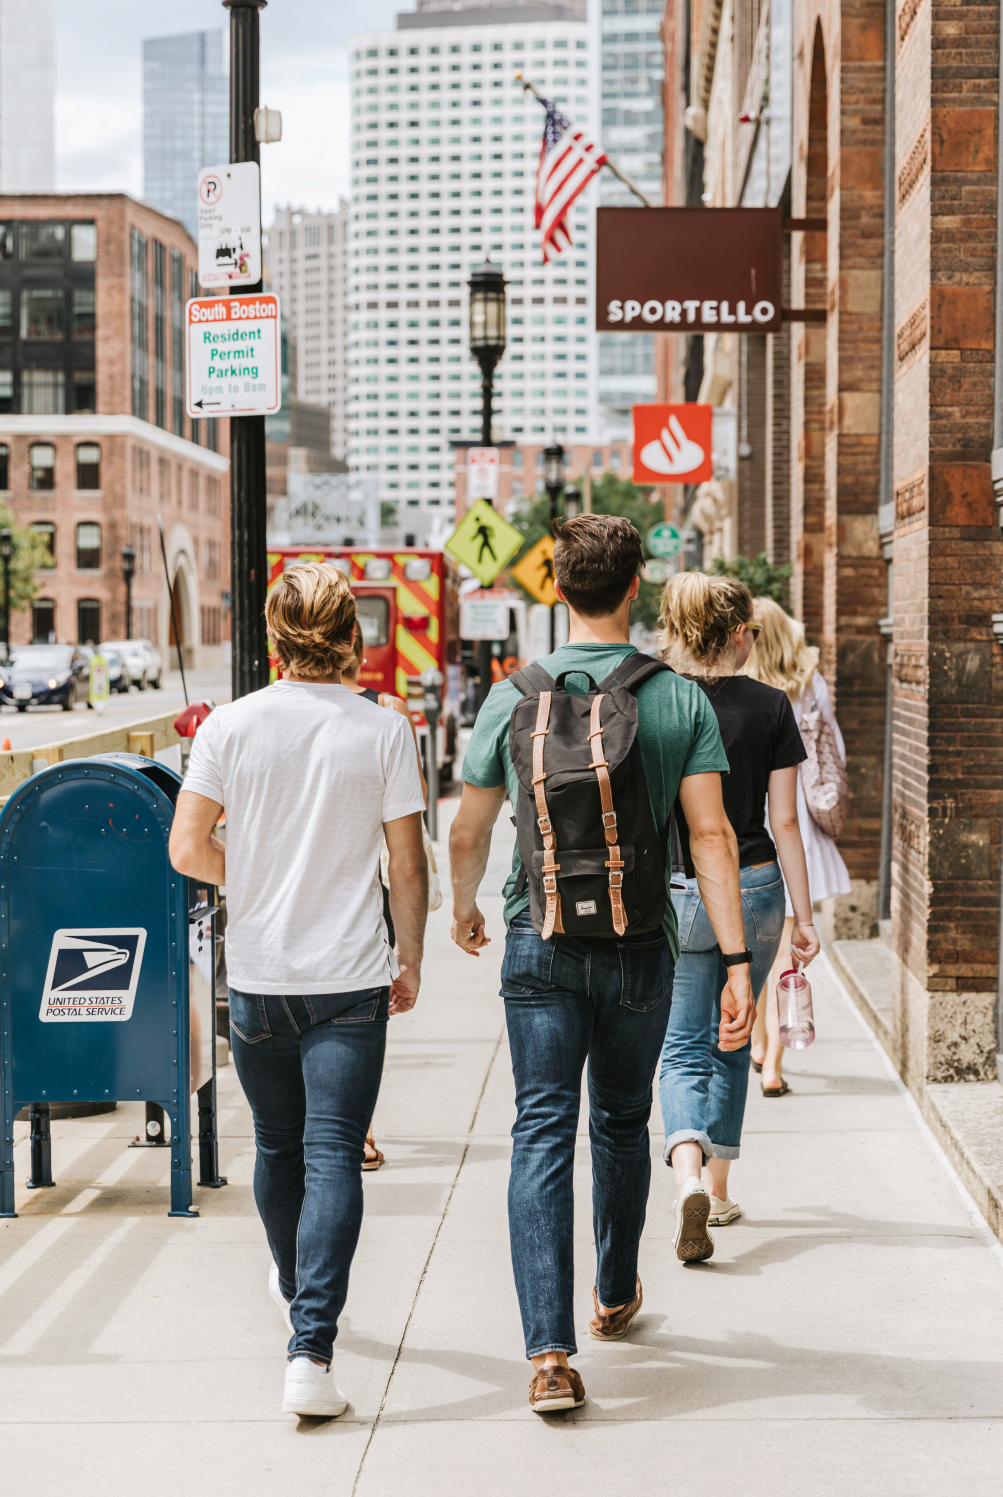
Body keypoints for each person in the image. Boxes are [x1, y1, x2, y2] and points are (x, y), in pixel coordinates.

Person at [448, 514, 753, 1415]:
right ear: (636, 589)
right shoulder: (677, 700)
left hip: (538, 940)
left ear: (557, 589)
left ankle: (548, 1354)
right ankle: (615, 1291)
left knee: (541, 1129)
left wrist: (463, 907)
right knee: (621, 1121)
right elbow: (711, 838)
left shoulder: (513, 698)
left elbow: (468, 829)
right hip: (639, 947)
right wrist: (737, 962)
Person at [168, 562, 428, 1420]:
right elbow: (406, 861)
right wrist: (412, 957)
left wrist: (256, 877)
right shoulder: (384, 730)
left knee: (279, 1150)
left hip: (259, 975)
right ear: (350, 638)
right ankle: (309, 1352)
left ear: (275, 641)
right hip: (349, 980)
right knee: (331, 1154)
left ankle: (295, 1285)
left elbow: (185, 848)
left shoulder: (229, 727)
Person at [657, 574, 819, 1255]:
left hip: (680, 888)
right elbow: (785, 822)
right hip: (754, 888)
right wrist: (803, 917)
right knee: (734, 1033)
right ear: (737, 635)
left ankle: (687, 1172)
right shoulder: (771, 705)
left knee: (681, 1043)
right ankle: (718, 1196)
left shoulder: (658, 700)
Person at [744, 597, 850, 1096]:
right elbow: (835, 751)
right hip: (797, 821)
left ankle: (760, 1044)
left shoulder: (744, 688)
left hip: (754, 818)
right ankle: (774, 1066)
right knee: (790, 949)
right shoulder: (810, 685)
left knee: (760, 946)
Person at [338, 625, 433, 1173]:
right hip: (370, 881)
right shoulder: (389, 710)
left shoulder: (265, 710)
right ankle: (360, 1128)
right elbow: (409, 813)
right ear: (360, 651)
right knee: (364, 1010)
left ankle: (332, 1126)